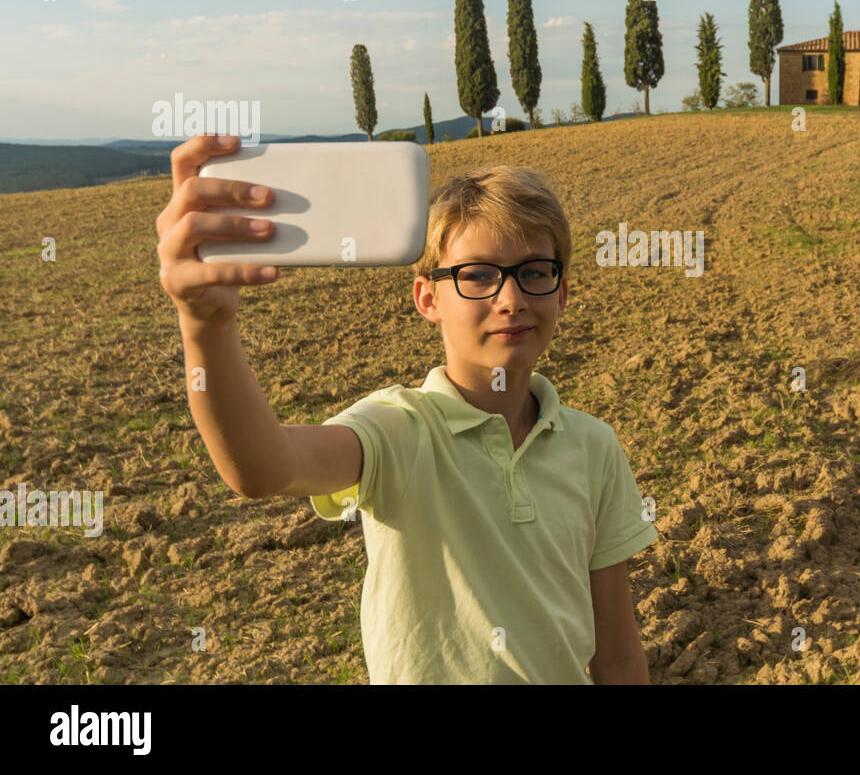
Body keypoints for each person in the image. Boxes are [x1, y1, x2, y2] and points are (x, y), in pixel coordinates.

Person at [155, 133, 658, 683]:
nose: (510, 299)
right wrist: (205, 325)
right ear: (427, 299)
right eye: (478, 276)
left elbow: (618, 655)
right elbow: (262, 466)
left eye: (534, 271)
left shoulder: (593, 447)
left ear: (562, 293)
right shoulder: (398, 429)